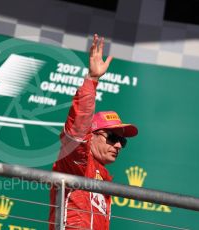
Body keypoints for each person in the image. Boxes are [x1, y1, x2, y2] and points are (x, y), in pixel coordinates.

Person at [49, 34, 138, 230]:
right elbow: (78, 129)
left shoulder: (103, 176)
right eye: (113, 137)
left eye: (122, 141)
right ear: (93, 136)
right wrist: (92, 79)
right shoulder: (77, 161)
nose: (118, 145)